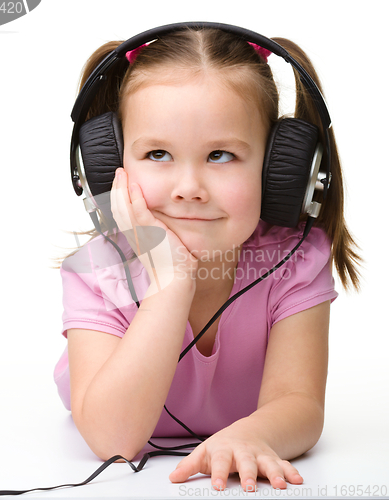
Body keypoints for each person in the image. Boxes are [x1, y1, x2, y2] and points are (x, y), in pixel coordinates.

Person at [54, 26, 361, 493]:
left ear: (281, 169)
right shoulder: (98, 271)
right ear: (108, 165)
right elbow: (113, 441)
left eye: (220, 155)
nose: (189, 188)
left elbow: (298, 404)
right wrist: (170, 287)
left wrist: (251, 435)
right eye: (158, 153)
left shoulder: (294, 262)